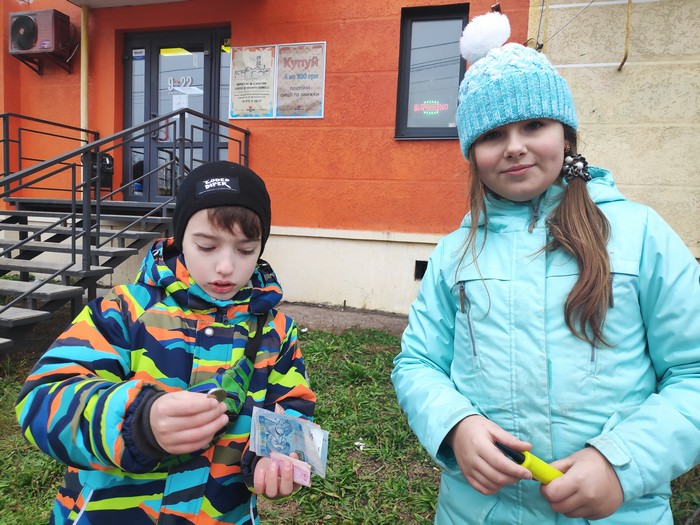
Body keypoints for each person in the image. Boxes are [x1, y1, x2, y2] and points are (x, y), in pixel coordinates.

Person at [391, 11, 700, 524]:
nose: (515, 146)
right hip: (476, 512)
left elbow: (692, 371)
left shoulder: (642, 236)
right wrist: (455, 425)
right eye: (493, 133)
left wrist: (622, 463)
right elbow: (418, 363)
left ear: (566, 134)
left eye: (533, 125)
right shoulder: (455, 253)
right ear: (472, 152)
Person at [16, 161, 316, 524]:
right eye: (206, 246)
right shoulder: (125, 310)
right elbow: (41, 400)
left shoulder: (277, 332)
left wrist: (276, 458)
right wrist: (137, 424)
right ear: (180, 238)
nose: (225, 266)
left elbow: (293, 410)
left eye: (245, 250)